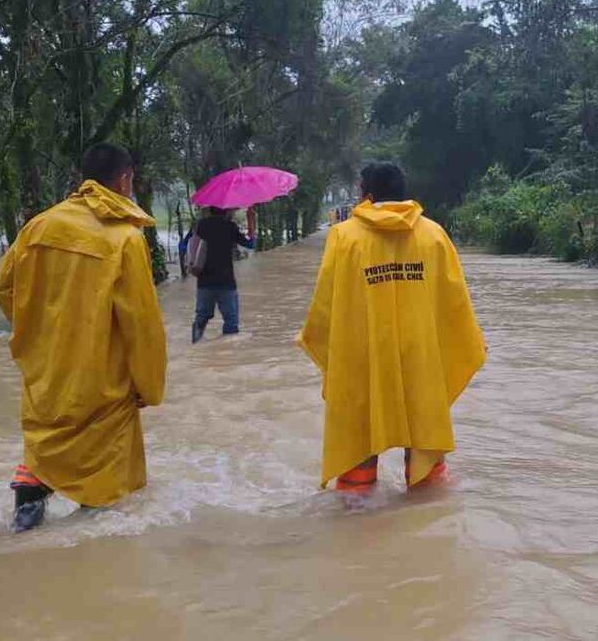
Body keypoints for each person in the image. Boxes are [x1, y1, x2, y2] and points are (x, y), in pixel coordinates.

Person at [0, 143, 167, 532]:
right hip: (101, 377)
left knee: (46, 435)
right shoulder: (125, 238)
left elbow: (5, 289)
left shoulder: (39, 225)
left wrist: (39, 332)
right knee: (107, 492)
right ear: (124, 180)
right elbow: (141, 323)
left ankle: (31, 486)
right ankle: (96, 568)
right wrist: (149, 386)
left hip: (46, 368)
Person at [298, 162, 486, 496]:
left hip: (364, 357)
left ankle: (359, 515)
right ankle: (427, 505)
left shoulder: (344, 237)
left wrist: (319, 342)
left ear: (366, 195)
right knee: (428, 465)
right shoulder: (434, 234)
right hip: (421, 358)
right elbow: (454, 305)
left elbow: (327, 304)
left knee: (358, 451)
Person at [191, 206, 254, 343]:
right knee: (231, 323)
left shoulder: (202, 225)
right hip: (226, 282)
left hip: (204, 281)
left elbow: (191, 247)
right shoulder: (229, 227)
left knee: (201, 317)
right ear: (226, 210)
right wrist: (251, 220)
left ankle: (195, 344)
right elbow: (250, 244)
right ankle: (228, 355)